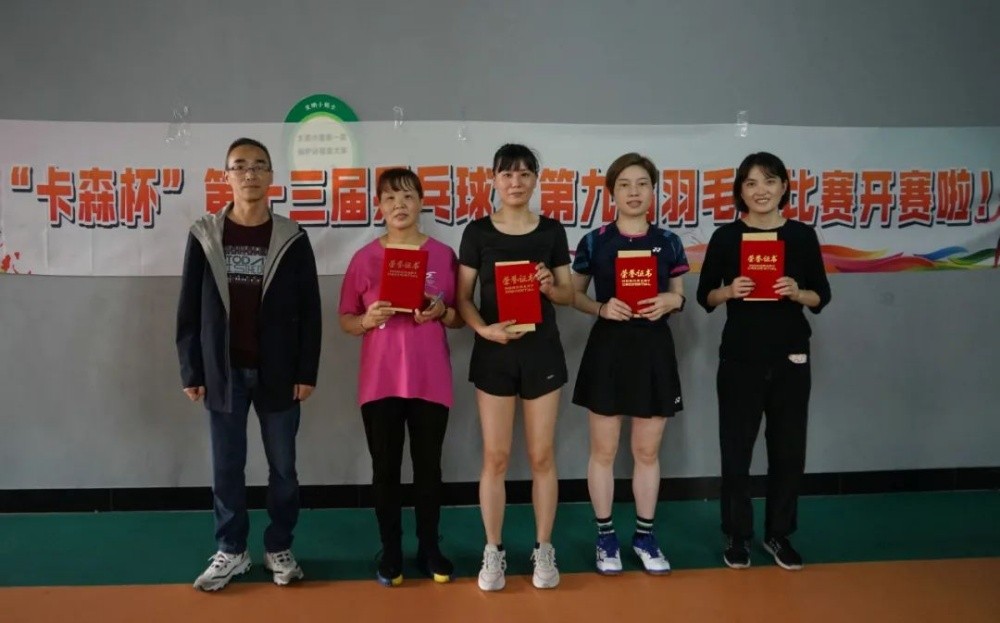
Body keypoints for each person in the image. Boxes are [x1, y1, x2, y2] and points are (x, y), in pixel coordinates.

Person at [176, 137, 321, 590]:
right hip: (223, 372)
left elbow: (311, 310)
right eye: (240, 166)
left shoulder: (292, 237)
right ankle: (231, 550)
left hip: (279, 372)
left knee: (284, 469)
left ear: (271, 176)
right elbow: (188, 308)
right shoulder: (204, 235)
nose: (250, 174)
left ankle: (279, 547)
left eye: (259, 166)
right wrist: (192, 369)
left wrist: (306, 371)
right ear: (226, 177)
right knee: (226, 468)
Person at [696, 151, 831, 571]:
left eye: (769, 181)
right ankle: (737, 535)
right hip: (741, 357)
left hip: (791, 355)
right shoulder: (726, 238)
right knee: (736, 450)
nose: (761, 191)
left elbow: (821, 296)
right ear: (740, 190)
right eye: (751, 183)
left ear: (784, 187)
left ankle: (778, 534)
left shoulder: (801, 236)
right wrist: (729, 291)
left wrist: (797, 292)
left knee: (788, 450)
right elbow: (704, 296)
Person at [338, 168, 464, 587]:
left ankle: (429, 547)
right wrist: (367, 319)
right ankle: (390, 549)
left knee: (429, 469)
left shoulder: (443, 256)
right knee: (385, 469)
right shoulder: (364, 259)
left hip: (430, 378)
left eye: (408, 196)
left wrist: (441, 311)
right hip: (381, 380)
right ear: (379, 206)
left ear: (421, 203)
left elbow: (459, 317)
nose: (399, 205)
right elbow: (346, 319)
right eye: (390, 198)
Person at [456, 144, 573, 591]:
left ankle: (544, 547)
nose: (516, 182)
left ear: (536, 179)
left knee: (542, 455)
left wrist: (549, 287)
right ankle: (493, 549)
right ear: (493, 180)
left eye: (525, 174)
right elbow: (463, 298)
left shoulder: (552, 231)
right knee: (496, 456)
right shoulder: (477, 232)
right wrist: (484, 330)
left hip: (542, 352)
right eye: (507, 174)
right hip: (494, 353)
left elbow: (567, 294)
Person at [570, 153, 688, 575]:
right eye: (624, 185)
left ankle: (644, 536)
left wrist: (672, 300)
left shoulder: (669, 241)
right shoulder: (595, 241)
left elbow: (680, 295)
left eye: (642, 184)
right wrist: (601, 308)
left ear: (653, 191)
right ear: (612, 193)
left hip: (653, 351)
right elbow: (573, 295)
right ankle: (605, 537)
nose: (634, 192)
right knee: (603, 451)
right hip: (608, 351)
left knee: (646, 451)